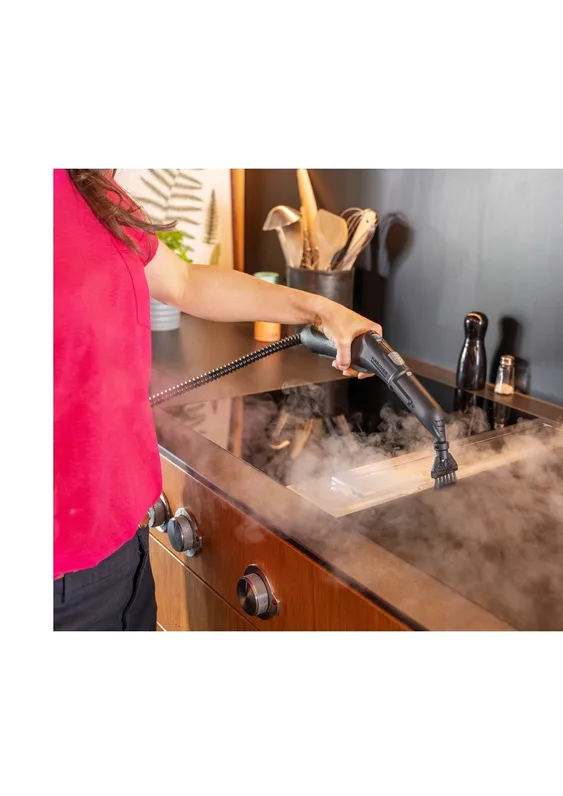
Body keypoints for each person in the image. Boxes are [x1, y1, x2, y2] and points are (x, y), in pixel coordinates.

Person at [54, 168, 381, 631]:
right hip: (64, 578)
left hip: (123, 539)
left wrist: (322, 309)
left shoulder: (90, 189)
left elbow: (185, 282)